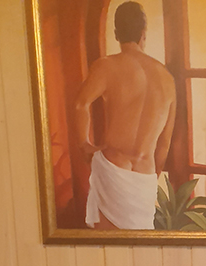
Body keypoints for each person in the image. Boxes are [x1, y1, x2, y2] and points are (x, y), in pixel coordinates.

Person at [73, 2, 177, 230]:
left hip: (113, 165)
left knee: (108, 244)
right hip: (145, 174)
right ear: (143, 34)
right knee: (140, 245)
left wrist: (84, 145)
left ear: (116, 33)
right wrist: (151, 177)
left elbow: (81, 104)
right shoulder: (167, 79)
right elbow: (165, 142)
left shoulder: (106, 66)